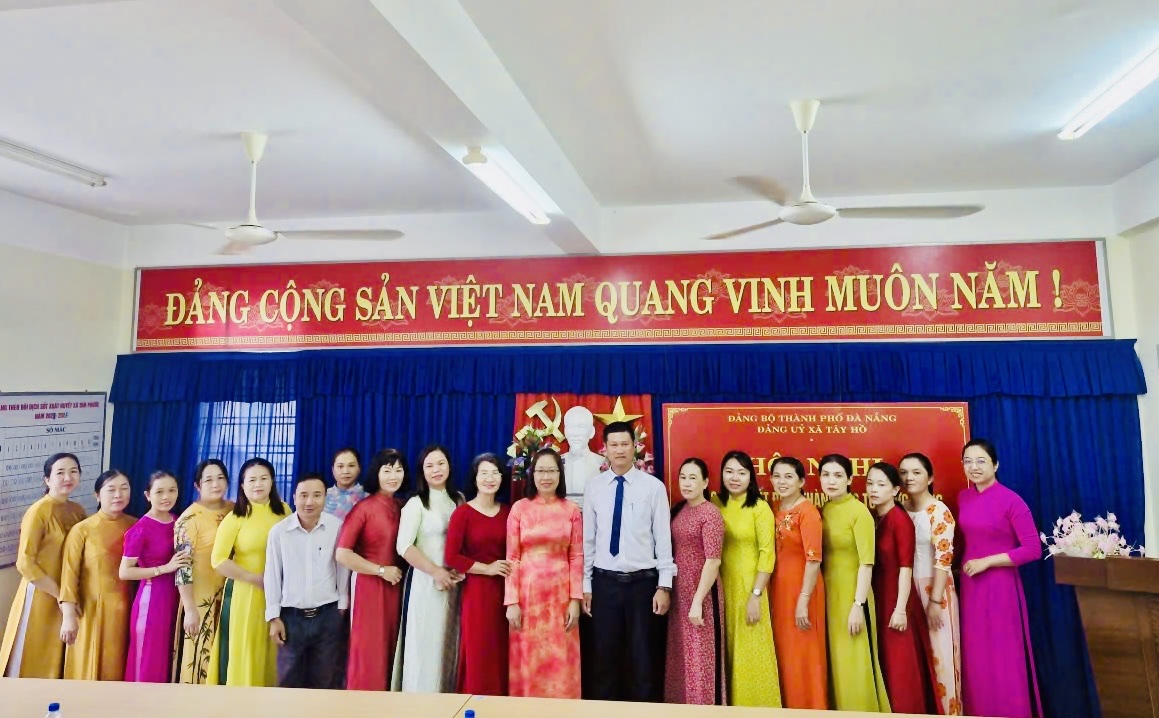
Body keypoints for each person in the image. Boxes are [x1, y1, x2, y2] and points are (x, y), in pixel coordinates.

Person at [582, 421, 674, 702]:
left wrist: (664, 586)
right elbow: (588, 540)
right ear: (605, 449)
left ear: (635, 447)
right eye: (614, 445)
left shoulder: (653, 488)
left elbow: (663, 539)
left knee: (643, 659)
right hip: (605, 584)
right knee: (604, 659)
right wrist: (586, 585)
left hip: (643, 586)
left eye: (625, 444)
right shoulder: (594, 487)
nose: (619, 450)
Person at [957, 439, 1042, 718]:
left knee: (1003, 655)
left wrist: (988, 562)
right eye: (968, 461)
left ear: (995, 465)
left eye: (981, 461)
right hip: (971, 587)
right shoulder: (963, 497)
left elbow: (1032, 549)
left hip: (1001, 587)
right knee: (976, 655)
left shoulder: (1011, 500)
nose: (974, 467)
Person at [1, 453, 88, 678]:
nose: (68, 477)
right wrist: (61, 596)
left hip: (67, 593)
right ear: (47, 479)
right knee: (32, 653)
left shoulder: (77, 510)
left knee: (57, 655)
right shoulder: (38, 511)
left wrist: (68, 597)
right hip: (41, 592)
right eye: (60, 472)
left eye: (73, 471)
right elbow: (25, 563)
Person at [506, 448, 584, 698]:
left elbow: (576, 556)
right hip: (527, 597)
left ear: (560, 474)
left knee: (561, 657)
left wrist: (575, 600)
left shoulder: (571, 510)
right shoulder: (519, 508)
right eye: (541, 471)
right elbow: (512, 557)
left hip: (561, 597)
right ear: (532, 474)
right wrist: (512, 601)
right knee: (528, 658)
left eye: (552, 470)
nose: (546, 476)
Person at [208, 457, 290, 686]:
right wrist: (255, 579)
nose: (258, 484)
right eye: (252, 480)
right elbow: (218, 560)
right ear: (242, 485)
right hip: (246, 592)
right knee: (247, 647)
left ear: (272, 482)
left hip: (280, 593)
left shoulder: (284, 511)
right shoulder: (235, 517)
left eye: (264, 478)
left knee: (273, 649)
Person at [865, 462, 939, 715]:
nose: (874, 489)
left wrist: (899, 610)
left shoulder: (900, 520)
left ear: (896, 490)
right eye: (870, 483)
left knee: (901, 667)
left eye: (881, 484)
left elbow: (905, 568)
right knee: (885, 663)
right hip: (879, 598)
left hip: (898, 601)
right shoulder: (874, 517)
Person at [265, 473, 351, 689]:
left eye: (317, 495)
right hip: (291, 619)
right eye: (303, 495)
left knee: (327, 681)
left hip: (327, 615)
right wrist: (274, 617)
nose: (309, 501)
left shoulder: (336, 527)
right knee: (289, 680)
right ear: (294, 497)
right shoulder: (279, 532)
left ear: (325, 498)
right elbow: (272, 575)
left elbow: (342, 567)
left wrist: (341, 605)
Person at [819, 453, 890, 712]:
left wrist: (858, 605)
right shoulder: (826, 510)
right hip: (829, 596)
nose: (831, 481)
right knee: (836, 663)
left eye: (838, 475)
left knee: (855, 663)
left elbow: (866, 564)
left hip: (853, 596)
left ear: (850, 479)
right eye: (826, 475)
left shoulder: (860, 513)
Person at [391, 444, 464, 693]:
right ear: (422, 471)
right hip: (425, 584)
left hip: (454, 584)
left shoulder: (458, 500)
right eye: (429, 465)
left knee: (449, 644)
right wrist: (435, 571)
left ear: (449, 466)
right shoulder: (416, 504)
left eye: (441, 463)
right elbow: (404, 546)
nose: (436, 470)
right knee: (424, 645)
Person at [714, 450, 781, 707]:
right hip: (722, 587)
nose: (735, 478)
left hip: (750, 588)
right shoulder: (715, 503)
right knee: (727, 649)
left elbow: (767, 554)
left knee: (752, 650)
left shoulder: (759, 507)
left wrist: (756, 595)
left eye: (741, 473)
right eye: (729, 471)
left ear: (750, 477)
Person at [337, 448, 406, 691]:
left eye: (398, 470)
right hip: (369, 587)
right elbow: (342, 553)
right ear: (376, 473)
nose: (393, 476)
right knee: (369, 650)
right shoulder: (364, 508)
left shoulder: (402, 506)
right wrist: (380, 570)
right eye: (387, 471)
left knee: (391, 647)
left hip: (396, 587)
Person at [59, 469, 137, 681]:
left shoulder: (137, 525)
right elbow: (69, 575)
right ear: (97, 495)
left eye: (124, 488)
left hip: (129, 608)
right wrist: (68, 616)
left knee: (122, 665)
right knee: (89, 667)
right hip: (91, 610)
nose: (118, 494)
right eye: (111, 489)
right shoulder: (82, 530)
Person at [901, 452, 962, 715]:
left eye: (916, 472)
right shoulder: (900, 509)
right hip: (907, 590)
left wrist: (936, 601)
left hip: (935, 590)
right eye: (904, 472)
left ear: (930, 477)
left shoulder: (939, 511)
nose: (909, 477)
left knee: (941, 658)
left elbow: (944, 558)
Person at [445, 453, 511, 695]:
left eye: (495, 473)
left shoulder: (509, 512)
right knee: (479, 648)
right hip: (477, 592)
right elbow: (452, 557)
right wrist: (488, 568)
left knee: (502, 649)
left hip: (506, 591)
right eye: (484, 473)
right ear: (475, 478)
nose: (489, 479)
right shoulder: (463, 513)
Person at [664, 457, 726, 705]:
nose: (687, 483)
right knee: (682, 655)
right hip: (680, 591)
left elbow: (713, 561)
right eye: (683, 477)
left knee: (700, 656)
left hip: (702, 593)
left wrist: (698, 601)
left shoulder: (710, 513)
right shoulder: (679, 510)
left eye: (693, 478)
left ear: (705, 483)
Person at [769, 456, 827, 710]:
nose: (782, 482)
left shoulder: (808, 512)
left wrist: (803, 599)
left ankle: (810, 707)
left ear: (801, 481)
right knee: (786, 653)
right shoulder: (775, 508)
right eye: (777, 476)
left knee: (804, 654)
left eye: (788, 477)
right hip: (780, 589)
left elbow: (814, 560)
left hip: (804, 589)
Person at [120, 471, 190, 682]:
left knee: (167, 658)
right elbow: (125, 572)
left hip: (174, 598)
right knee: (148, 658)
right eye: (159, 492)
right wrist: (165, 568)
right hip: (151, 601)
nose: (166, 496)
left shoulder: (179, 522)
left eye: (171, 490)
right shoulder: (140, 529)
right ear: (147, 495)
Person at [172, 459, 234, 684]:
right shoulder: (188, 520)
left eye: (220, 478)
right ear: (197, 485)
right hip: (200, 598)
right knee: (199, 656)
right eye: (208, 480)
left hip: (231, 595)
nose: (215, 484)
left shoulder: (235, 510)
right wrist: (189, 609)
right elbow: (183, 568)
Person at [562, 406, 602, 509]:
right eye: (571, 427)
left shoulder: (602, 463)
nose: (575, 433)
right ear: (565, 431)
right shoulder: (555, 463)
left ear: (592, 432)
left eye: (581, 427)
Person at [324, 447, 367, 520]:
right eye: (340, 466)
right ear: (333, 470)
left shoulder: (368, 498)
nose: (345, 471)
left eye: (351, 466)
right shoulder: (323, 496)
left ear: (359, 468)